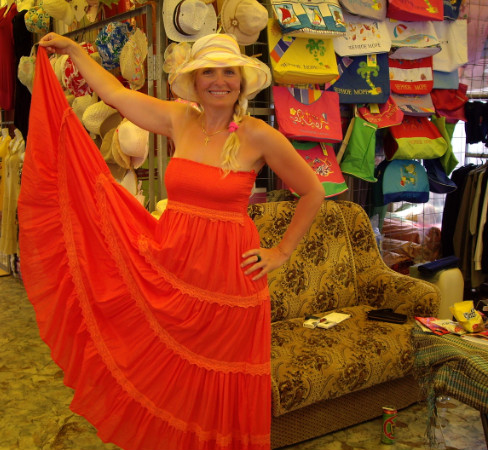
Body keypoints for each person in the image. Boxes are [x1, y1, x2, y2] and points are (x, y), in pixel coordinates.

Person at [18, 32, 325, 450]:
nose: (220, 81)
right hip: (174, 268)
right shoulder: (179, 119)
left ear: (241, 81)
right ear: (195, 81)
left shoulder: (259, 135)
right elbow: (115, 94)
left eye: (229, 72)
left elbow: (313, 191)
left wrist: (282, 251)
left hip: (230, 284)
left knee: (216, 383)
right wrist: (74, 51)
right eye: (209, 72)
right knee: (172, 376)